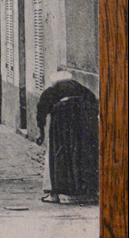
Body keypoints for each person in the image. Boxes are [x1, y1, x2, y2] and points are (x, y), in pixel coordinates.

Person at [36, 71, 99, 204]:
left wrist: (41, 132)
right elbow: (95, 105)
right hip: (82, 130)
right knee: (83, 157)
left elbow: (41, 111)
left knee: (57, 157)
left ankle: (54, 194)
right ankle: (89, 192)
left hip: (61, 131)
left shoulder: (51, 91)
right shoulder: (83, 90)